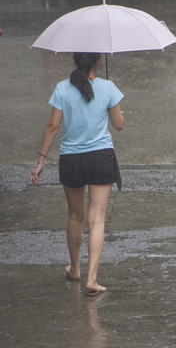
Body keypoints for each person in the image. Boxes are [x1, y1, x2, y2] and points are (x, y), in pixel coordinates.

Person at [30, 52, 124, 297]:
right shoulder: (108, 87)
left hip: (71, 158)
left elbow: (52, 126)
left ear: (74, 62)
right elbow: (119, 125)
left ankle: (75, 269)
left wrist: (40, 161)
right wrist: (111, 99)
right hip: (101, 158)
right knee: (97, 219)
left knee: (75, 216)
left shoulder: (62, 88)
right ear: (99, 62)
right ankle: (92, 280)